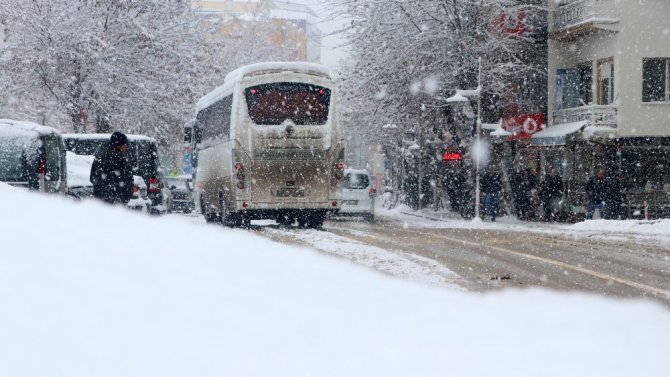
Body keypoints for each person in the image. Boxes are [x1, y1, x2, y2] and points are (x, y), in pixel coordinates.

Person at [90, 131, 134, 205]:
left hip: (100, 202)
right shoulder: (124, 161)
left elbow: (93, 178)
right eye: (124, 144)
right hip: (118, 202)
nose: (125, 147)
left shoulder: (99, 158)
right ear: (120, 145)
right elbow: (128, 182)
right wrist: (125, 197)